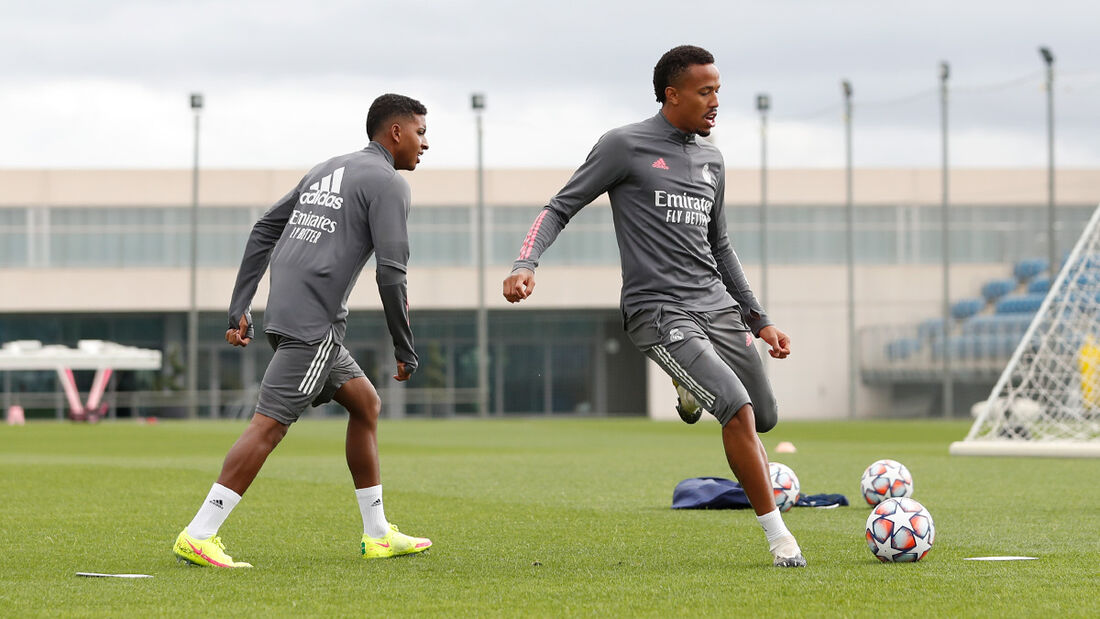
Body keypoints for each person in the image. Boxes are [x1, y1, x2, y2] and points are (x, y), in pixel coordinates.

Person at [502, 46, 805, 567]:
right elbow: (560, 206)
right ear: (672, 94)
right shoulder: (624, 145)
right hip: (656, 310)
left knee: (767, 418)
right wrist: (525, 262)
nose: (715, 103)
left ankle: (689, 391)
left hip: (716, 306)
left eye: (718, 91)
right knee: (736, 407)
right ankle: (780, 539)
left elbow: (721, 247)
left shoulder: (713, 160)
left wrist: (760, 319)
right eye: (704, 92)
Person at [172, 93, 432, 568]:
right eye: (420, 132)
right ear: (395, 132)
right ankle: (199, 532)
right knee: (268, 425)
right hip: (315, 327)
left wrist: (240, 306)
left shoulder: (327, 168)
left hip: (291, 315)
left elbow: (264, 228)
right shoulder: (389, 184)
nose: (425, 144)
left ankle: (377, 533)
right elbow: (392, 272)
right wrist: (404, 345)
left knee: (365, 403)